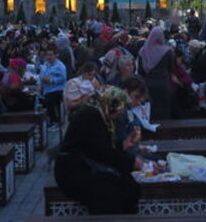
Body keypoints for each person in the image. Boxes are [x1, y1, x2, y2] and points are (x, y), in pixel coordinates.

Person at [54, 87, 141, 215]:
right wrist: (132, 162)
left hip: (87, 166)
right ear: (111, 106)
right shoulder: (91, 116)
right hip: (73, 171)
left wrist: (123, 145)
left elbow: (102, 147)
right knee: (110, 193)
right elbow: (102, 152)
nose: (119, 115)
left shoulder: (100, 115)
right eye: (118, 111)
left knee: (129, 184)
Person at [137, 26, 173, 120]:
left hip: (148, 85)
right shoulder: (168, 51)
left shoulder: (143, 51)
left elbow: (140, 71)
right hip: (163, 84)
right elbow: (171, 69)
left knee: (150, 111)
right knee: (164, 112)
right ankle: (164, 133)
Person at [38, 45, 67, 128]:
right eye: (47, 55)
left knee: (49, 100)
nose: (49, 57)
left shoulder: (60, 66)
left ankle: (55, 120)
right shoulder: (46, 64)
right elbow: (41, 75)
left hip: (58, 89)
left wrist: (51, 80)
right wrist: (40, 84)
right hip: (46, 89)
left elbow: (63, 78)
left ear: (56, 55)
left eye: (51, 55)